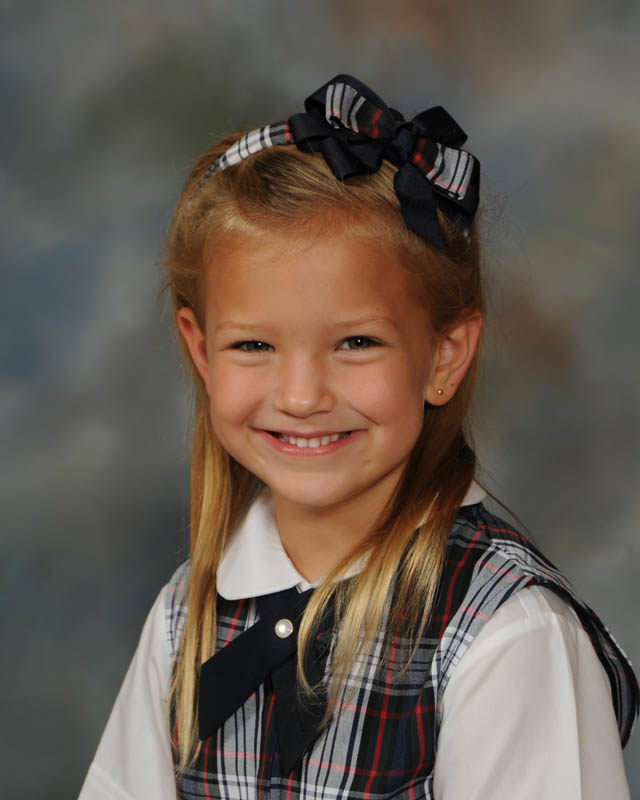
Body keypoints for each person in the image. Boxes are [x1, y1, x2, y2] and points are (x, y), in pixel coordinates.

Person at [78, 75, 638, 800]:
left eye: (356, 343)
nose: (301, 396)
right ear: (201, 351)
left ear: (443, 356)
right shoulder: (184, 617)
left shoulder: (506, 633)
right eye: (253, 346)